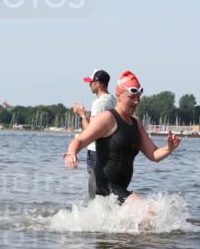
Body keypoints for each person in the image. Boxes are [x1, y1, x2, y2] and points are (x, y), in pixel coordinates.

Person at [64, 70, 180, 203]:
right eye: (132, 97)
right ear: (119, 95)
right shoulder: (107, 118)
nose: (136, 101)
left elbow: (153, 154)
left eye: (138, 97)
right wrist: (71, 153)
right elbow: (80, 140)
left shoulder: (137, 124)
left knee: (141, 219)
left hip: (119, 188)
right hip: (102, 185)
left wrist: (169, 148)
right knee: (144, 210)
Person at [71, 69, 116, 198]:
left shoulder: (99, 103)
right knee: (106, 190)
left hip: (96, 151)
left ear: (99, 83)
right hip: (108, 151)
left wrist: (82, 115)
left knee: (94, 192)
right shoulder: (113, 99)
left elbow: (91, 132)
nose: (89, 84)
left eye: (91, 82)